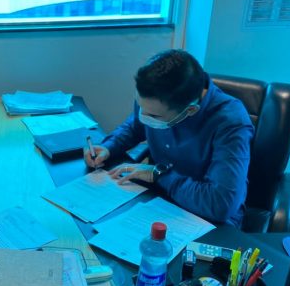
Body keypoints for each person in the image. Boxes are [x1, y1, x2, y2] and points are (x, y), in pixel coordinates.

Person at [84, 49, 254, 228]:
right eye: (140, 105)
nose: (143, 115)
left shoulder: (230, 122)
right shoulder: (154, 97)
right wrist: (108, 147)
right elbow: (135, 126)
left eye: (154, 116)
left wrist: (159, 174)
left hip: (205, 217)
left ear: (190, 111)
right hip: (158, 196)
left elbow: (220, 204)